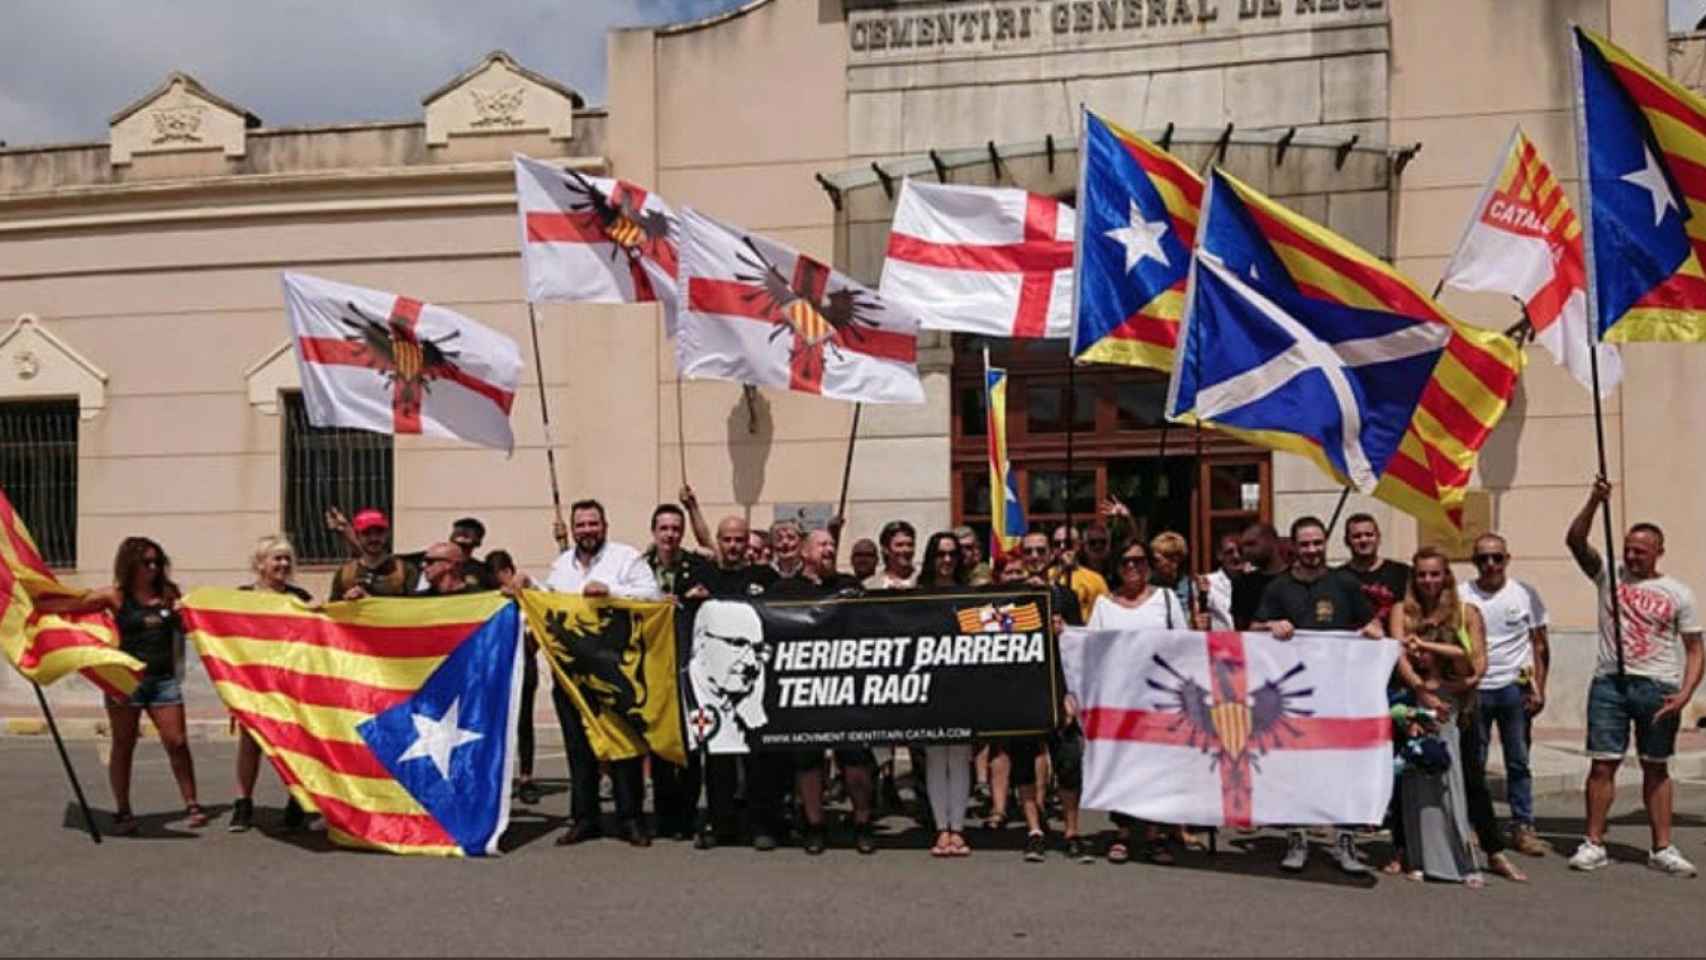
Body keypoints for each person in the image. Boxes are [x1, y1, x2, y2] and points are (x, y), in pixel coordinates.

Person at [1565, 479, 1702, 876]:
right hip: (1610, 681)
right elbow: (1575, 541)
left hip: (1658, 686)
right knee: (1602, 765)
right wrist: (1594, 501)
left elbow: (1695, 649)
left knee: (1656, 766)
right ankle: (1593, 842)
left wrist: (1685, 695)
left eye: (1641, 551)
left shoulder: (1678, 593)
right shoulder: (1609, 574)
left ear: (1659, 552)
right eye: (1628, 549)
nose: (1632, 556)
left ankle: (1662, 847)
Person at [41, 538, 204, 835]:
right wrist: (30, 604)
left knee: (177, 742)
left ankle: (192, 802)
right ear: (130, 564)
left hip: (163, 680)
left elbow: (189, 628)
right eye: (146, 562)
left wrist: (186, 615)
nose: (153, 568)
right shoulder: (114, 596)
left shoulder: (169, 594)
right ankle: (123, 809)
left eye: (157, 561)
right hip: (126, 681)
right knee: (124, 744)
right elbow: (71, 604)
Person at [1252, 515, 1382, 874]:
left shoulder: (1345, 583)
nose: (1311, 550)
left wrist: (1372, 632)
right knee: (1295, 768)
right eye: (1304, 544)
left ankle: (1345, 840)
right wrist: (1270, 626)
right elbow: (1253, 630)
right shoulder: (1278, 587)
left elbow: (1370, 623)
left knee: (1341, 767)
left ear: (1326, 543)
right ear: (1292, 547)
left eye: (1317, 543)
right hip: (1293, 696)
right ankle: (1297, 836)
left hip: (1338, 693)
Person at [540, 499, 661, 848]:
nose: (587, 530)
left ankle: (631, 819)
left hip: (614, 672)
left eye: (593, 524)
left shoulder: (626, 558)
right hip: (572, 677)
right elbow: (547, 603)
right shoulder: (562, 565)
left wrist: (611, 592)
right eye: (581, 525)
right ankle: (585, 819)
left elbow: (651, 596)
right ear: (573, 529)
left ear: (604, 526)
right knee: (579, 750)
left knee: (624, 747)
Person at [682, 516, 786, 851]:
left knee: (759, 759)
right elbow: (681, 613)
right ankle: (720, 824)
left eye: (739, 540)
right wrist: (685, 599)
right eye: (727, 540)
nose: (733, 546)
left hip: (753, 681)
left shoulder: (765, 577)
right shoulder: (703, 576)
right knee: (717, 760)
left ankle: (763, 826)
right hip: (711, 685)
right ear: (719, 541)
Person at [1387, 547, 1490, 886]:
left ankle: (1461, 863)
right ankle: (1420, 858)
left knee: (1453, 779)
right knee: (1418, 779)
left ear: (1446, 576)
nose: (1428, 581)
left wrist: (1459, 681)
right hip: (1416, 698)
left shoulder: (1465, 612)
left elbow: (1475, 659)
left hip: (1452, 701)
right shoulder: (1402, 610)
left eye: (1435, 574)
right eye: (1421, 574)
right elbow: (1398, 654)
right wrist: (1419, 688)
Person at [772, 529, 876, 854]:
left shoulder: (850, 587)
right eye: (822, 545)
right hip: (805, 689)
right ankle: (815, 825)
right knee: (808, 762)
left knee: (856, 762)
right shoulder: (785, 590)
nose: (829, 549)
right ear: (805, 553)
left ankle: (862, 823)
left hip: (846, 689)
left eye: (832, 544)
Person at [1087, 540, 1189, 864]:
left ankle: (1156, 834)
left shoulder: (1167, 599)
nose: (1133, 567)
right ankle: (1124, 832)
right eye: (1126, 562)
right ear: (1116, 567)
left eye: (1139, 561)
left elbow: (1184, 645)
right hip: (1121, 700)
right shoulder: (1104, 605)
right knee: (1124, 767)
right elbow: (1090, 649)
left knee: (1158, 767)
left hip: (1160, 699)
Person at [1461, 532, 1550, 858]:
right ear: (1474, 562)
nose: (1490, 564)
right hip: (1476, 690)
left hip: (1515, 689)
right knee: (1475, 762)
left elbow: (1539, 644)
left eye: (1497, 557)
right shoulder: (1461, 595)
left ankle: (1523, 826)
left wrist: (1540, 687)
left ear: (1507, 559)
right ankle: (1473, 825)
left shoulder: (1524, 594)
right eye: (1483, 558)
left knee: (1518, 762)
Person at [1012, 529, 1089, 863]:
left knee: (1069, 762)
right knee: (1024, 763)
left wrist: (1065, 630)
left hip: (1061, 690)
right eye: (1028, 551)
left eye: (1040, 551)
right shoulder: (1010, 596)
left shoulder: (1066, 596)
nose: (1034, 557)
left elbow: (1080, 647)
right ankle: (1034, 830)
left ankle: (1071, 831)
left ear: (1050, 555)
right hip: (1024, 690)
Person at [229, 536, 312, 833]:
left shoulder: (299, 597)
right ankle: (243, 804)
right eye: (277, 558)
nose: (283, 564)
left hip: (290, 682)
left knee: (294, 743)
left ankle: (297, 801)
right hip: (252, 683)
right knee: (250, 744)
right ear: (260, 563)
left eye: (287, 558)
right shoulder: (241, 598)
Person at [910, 531, 976, 857]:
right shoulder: (918, 595)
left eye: (952, 554)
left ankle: (959, 829)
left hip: (962, 685)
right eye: (941, 554)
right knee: (936, 758)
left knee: (960, 757)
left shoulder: (970, 595)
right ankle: (941, 829)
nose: (947, 560)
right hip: (929, 686)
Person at [487, 550, 543, 807]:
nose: (503, 581)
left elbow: (540, 627)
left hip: (524, 662)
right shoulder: (489, 600)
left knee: (524, 722)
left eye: (505, 574)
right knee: (496, 723)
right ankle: (496, 778)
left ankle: (526, 777)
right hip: (496, 668)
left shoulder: (528, 598)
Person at [328, 509, 418, 600]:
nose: (374, 538)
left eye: (379, 532)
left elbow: (417, 609)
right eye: (366, 533)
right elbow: (332, 611)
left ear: (387, 534)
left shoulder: (405, 571)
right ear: (357, 536)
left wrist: (370, 601)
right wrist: (346, 603)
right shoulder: (345, 574)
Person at [1339, 514, 1411, 628]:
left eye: (1369, 535)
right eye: (1357, 536)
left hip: (1392, 642)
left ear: (1378, 538)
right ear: (1346, 541)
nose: (1363, 540)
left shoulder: (1402, 573)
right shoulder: (1337, 577)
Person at [1230, 522, 1286, 631]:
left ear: (1272, 541)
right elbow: (1241, 629)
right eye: (1243, 547)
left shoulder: (1296, 580)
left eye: (1251, 544)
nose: (1246, 551)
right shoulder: (1242, 585)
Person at [1050, 525, 1108, 624]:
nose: (1062, 547)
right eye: (1057, 544)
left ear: (1078, 545)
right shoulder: (1046, 575)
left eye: (1068, 543)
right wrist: (1061, 569)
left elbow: (1105, 613)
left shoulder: (1095, 578)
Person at [1149, 531, 1207, 629]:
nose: (1154, 563)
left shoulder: (1190, 586)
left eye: (1158, 560)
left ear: (1175, 560)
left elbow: (1196, 620)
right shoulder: (1149, 585)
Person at [1200, 534, 1244, 631]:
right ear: (1219, 555)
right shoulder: (1208, 582)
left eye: (1240, 551)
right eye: (1230, 552)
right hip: (1220, 643)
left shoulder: (1253, 582)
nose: (1236, 556)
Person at [414, 542, 484, 596]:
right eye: (423, 561)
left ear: (451, 564)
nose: (423, 565)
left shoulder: (479, 597)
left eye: (430, 561)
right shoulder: (419, 600)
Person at [866, 520, 917, 590]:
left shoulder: (924, 582)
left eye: (910, 545)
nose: (906, 550)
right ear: (886, 549)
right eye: (900, 545)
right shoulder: (870, 586)